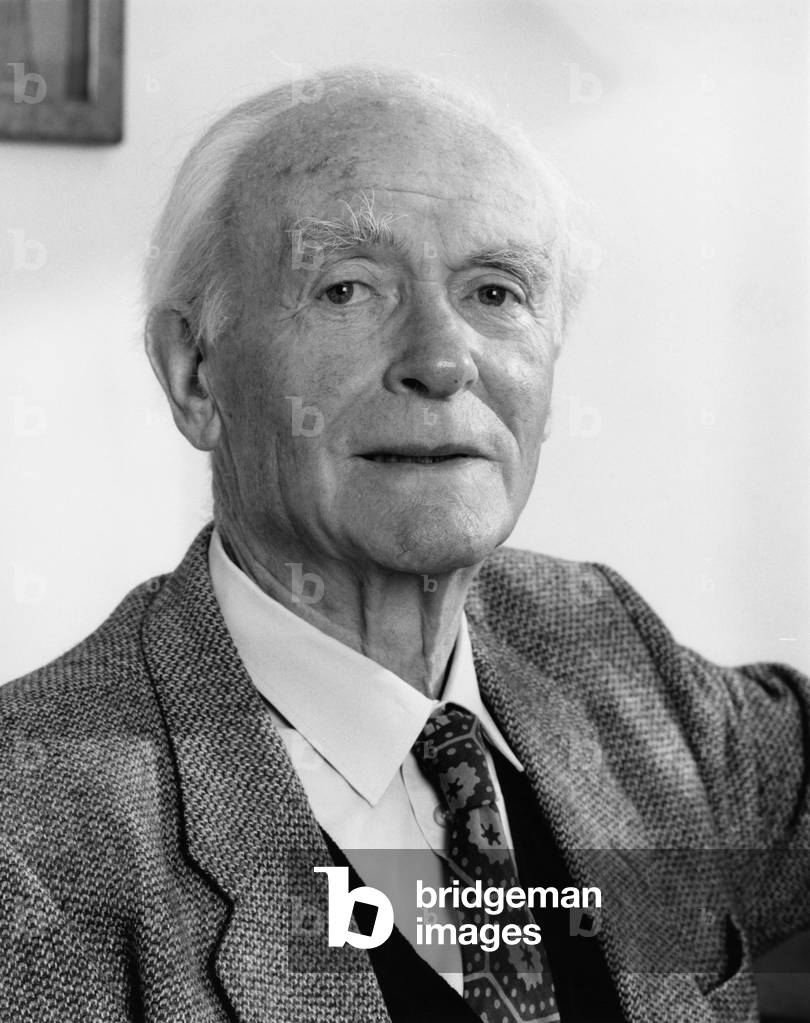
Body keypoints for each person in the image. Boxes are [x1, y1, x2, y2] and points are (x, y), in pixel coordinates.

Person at [0, 65, 807, 1023]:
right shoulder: (32, 834)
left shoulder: (604, 644)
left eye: (496, 290)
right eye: (347, 289)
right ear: (194, 374)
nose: (442, 359)